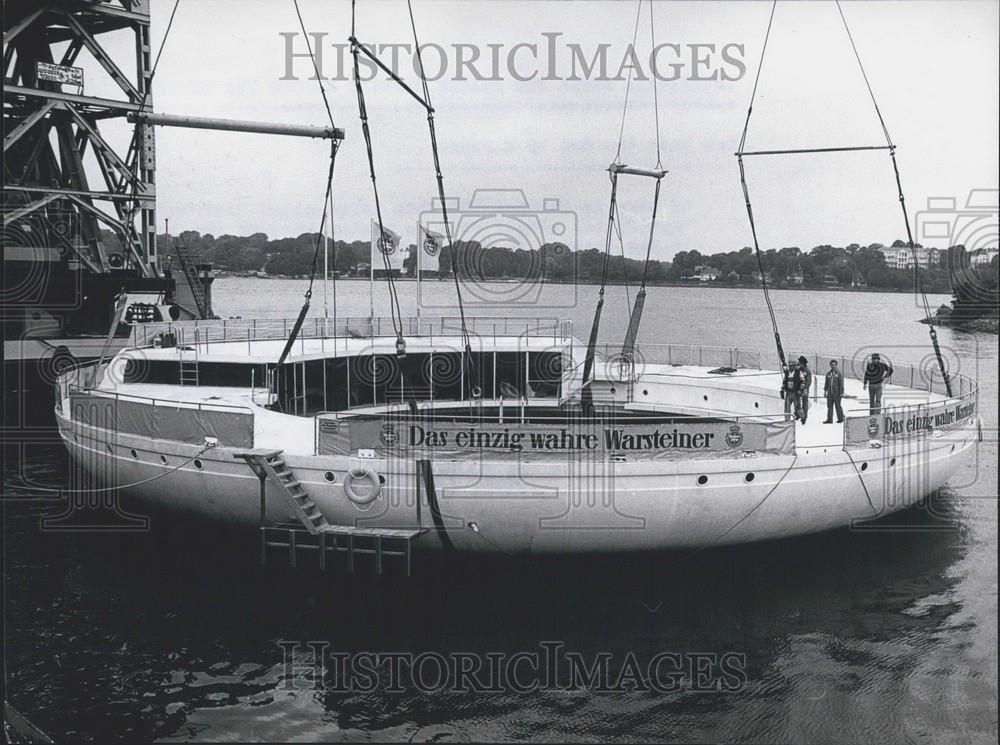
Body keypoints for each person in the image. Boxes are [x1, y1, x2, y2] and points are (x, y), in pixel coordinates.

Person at [794, 355, 812, 424]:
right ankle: (798, 414)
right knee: (797, 402)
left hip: (804, 389)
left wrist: (805, 388)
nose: (799, 364)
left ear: (803, 363)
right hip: (798, 388)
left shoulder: (807, 370)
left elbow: (809, 381)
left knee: (805, 404)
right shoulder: (799, 369)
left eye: (800, 363)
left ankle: (804, 418)